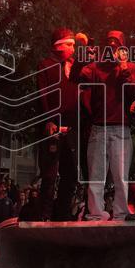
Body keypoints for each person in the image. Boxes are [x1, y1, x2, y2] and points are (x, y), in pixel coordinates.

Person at [79, 30, 135, 220]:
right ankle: (95, 215)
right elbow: (79, 78)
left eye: (116, 45)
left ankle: (121, 214)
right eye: (109, 45)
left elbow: (132, 93)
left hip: (121, 128)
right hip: (99, 127)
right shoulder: (96, 67)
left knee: (121, 178)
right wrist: (84, 51)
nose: (112, 49)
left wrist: (123, 67)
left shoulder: (130, 67)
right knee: (96, 177)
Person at [37, 27, 86, 221]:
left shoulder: (74, 66)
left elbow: (86, 63)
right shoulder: (46, 65)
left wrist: (84, 44)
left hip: (72, 127)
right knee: (49, 174)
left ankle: (62, 215)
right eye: (70, 44)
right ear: (59, 46)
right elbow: (42, 93)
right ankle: (44, 216)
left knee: (71, 173)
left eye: (75, 45)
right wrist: (48, 119)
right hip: (53, 125)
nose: (73, 49)